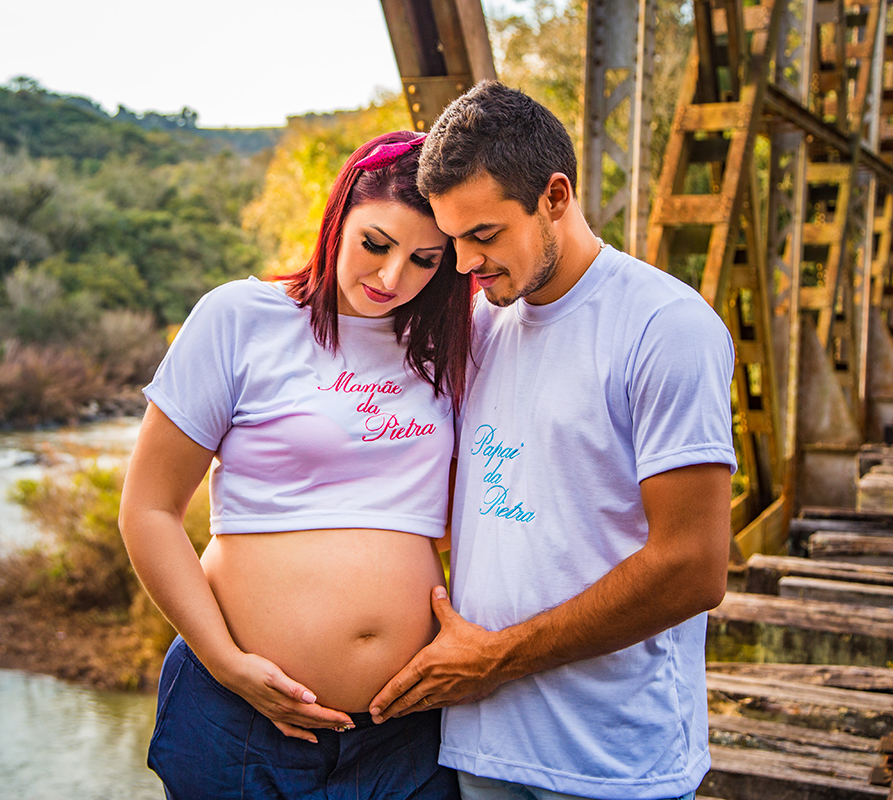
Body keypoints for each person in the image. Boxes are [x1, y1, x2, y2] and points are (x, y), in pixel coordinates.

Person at [368, 81, 736, 800]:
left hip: (613, 760)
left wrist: (494, 659)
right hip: (481, 749)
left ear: (555, 196)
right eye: (453, 241)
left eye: (484, 235)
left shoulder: (665, 327)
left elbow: (694, 567)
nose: (465, 264)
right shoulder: (476, 326)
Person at [118, 131, 473, 799]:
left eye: (425, 260)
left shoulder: (451, 343)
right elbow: (149, 510)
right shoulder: (241, 317)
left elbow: (472, 516)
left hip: (405, 731)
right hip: (241, 719)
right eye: (375, 244)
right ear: (338, 218)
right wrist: (226, 663)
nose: (392, 278)